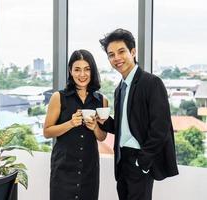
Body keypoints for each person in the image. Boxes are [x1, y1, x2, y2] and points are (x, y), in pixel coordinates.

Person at [98, 28, 179, 200]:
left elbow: (160, 127)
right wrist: (103, 121)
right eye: (111, 55)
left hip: (139, 158)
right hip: (122, 160)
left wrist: (143, 161)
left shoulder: (152, 83)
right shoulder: (119, 89)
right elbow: (124, 125)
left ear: (133, 52)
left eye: (121, 51)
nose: (116, 58)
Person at [43, 49, 109, 200]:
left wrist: (95, 128)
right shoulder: (58, 97)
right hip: (63, 169)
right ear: (70, 71)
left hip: (89, 169)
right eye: (77, 69)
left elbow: (102, 137)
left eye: (87, 69)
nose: (82, 74)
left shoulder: (102, 100)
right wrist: (71, 123)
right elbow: (47, 132)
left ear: (92, 71)